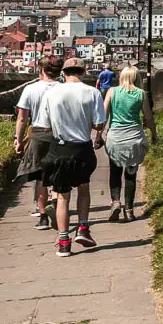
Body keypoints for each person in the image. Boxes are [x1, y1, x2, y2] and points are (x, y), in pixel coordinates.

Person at [33, 57, 106, 257]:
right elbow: (98, 124)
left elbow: (44, 124)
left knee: (62, 196)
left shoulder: (51, 92)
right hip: (82, 148)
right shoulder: (92, 92)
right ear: (83, 72)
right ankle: (83, 228)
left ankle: (64, 241)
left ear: (63, 73)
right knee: (83, 188)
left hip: (59, 148)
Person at [14, 56, 64, 230]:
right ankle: (57, 205)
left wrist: (18, 140)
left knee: (40, 177)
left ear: (41, 70)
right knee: (58, 173)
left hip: (38, 134)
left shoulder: (30, 89)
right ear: (59, 71)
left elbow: (22, 118)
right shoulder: (64, 89)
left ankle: (43, 216)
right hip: (59, 135)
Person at [102, 65, 156, 222]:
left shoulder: (112, 92)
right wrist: (154, 135)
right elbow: (148, 118)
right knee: (131, 175)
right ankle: (129, 210)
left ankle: (115, 202)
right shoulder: (141, 94)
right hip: (134, 138)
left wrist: (99, 134)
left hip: (116, 138)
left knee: (115, 171)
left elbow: (103, 116)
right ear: (137, 77)